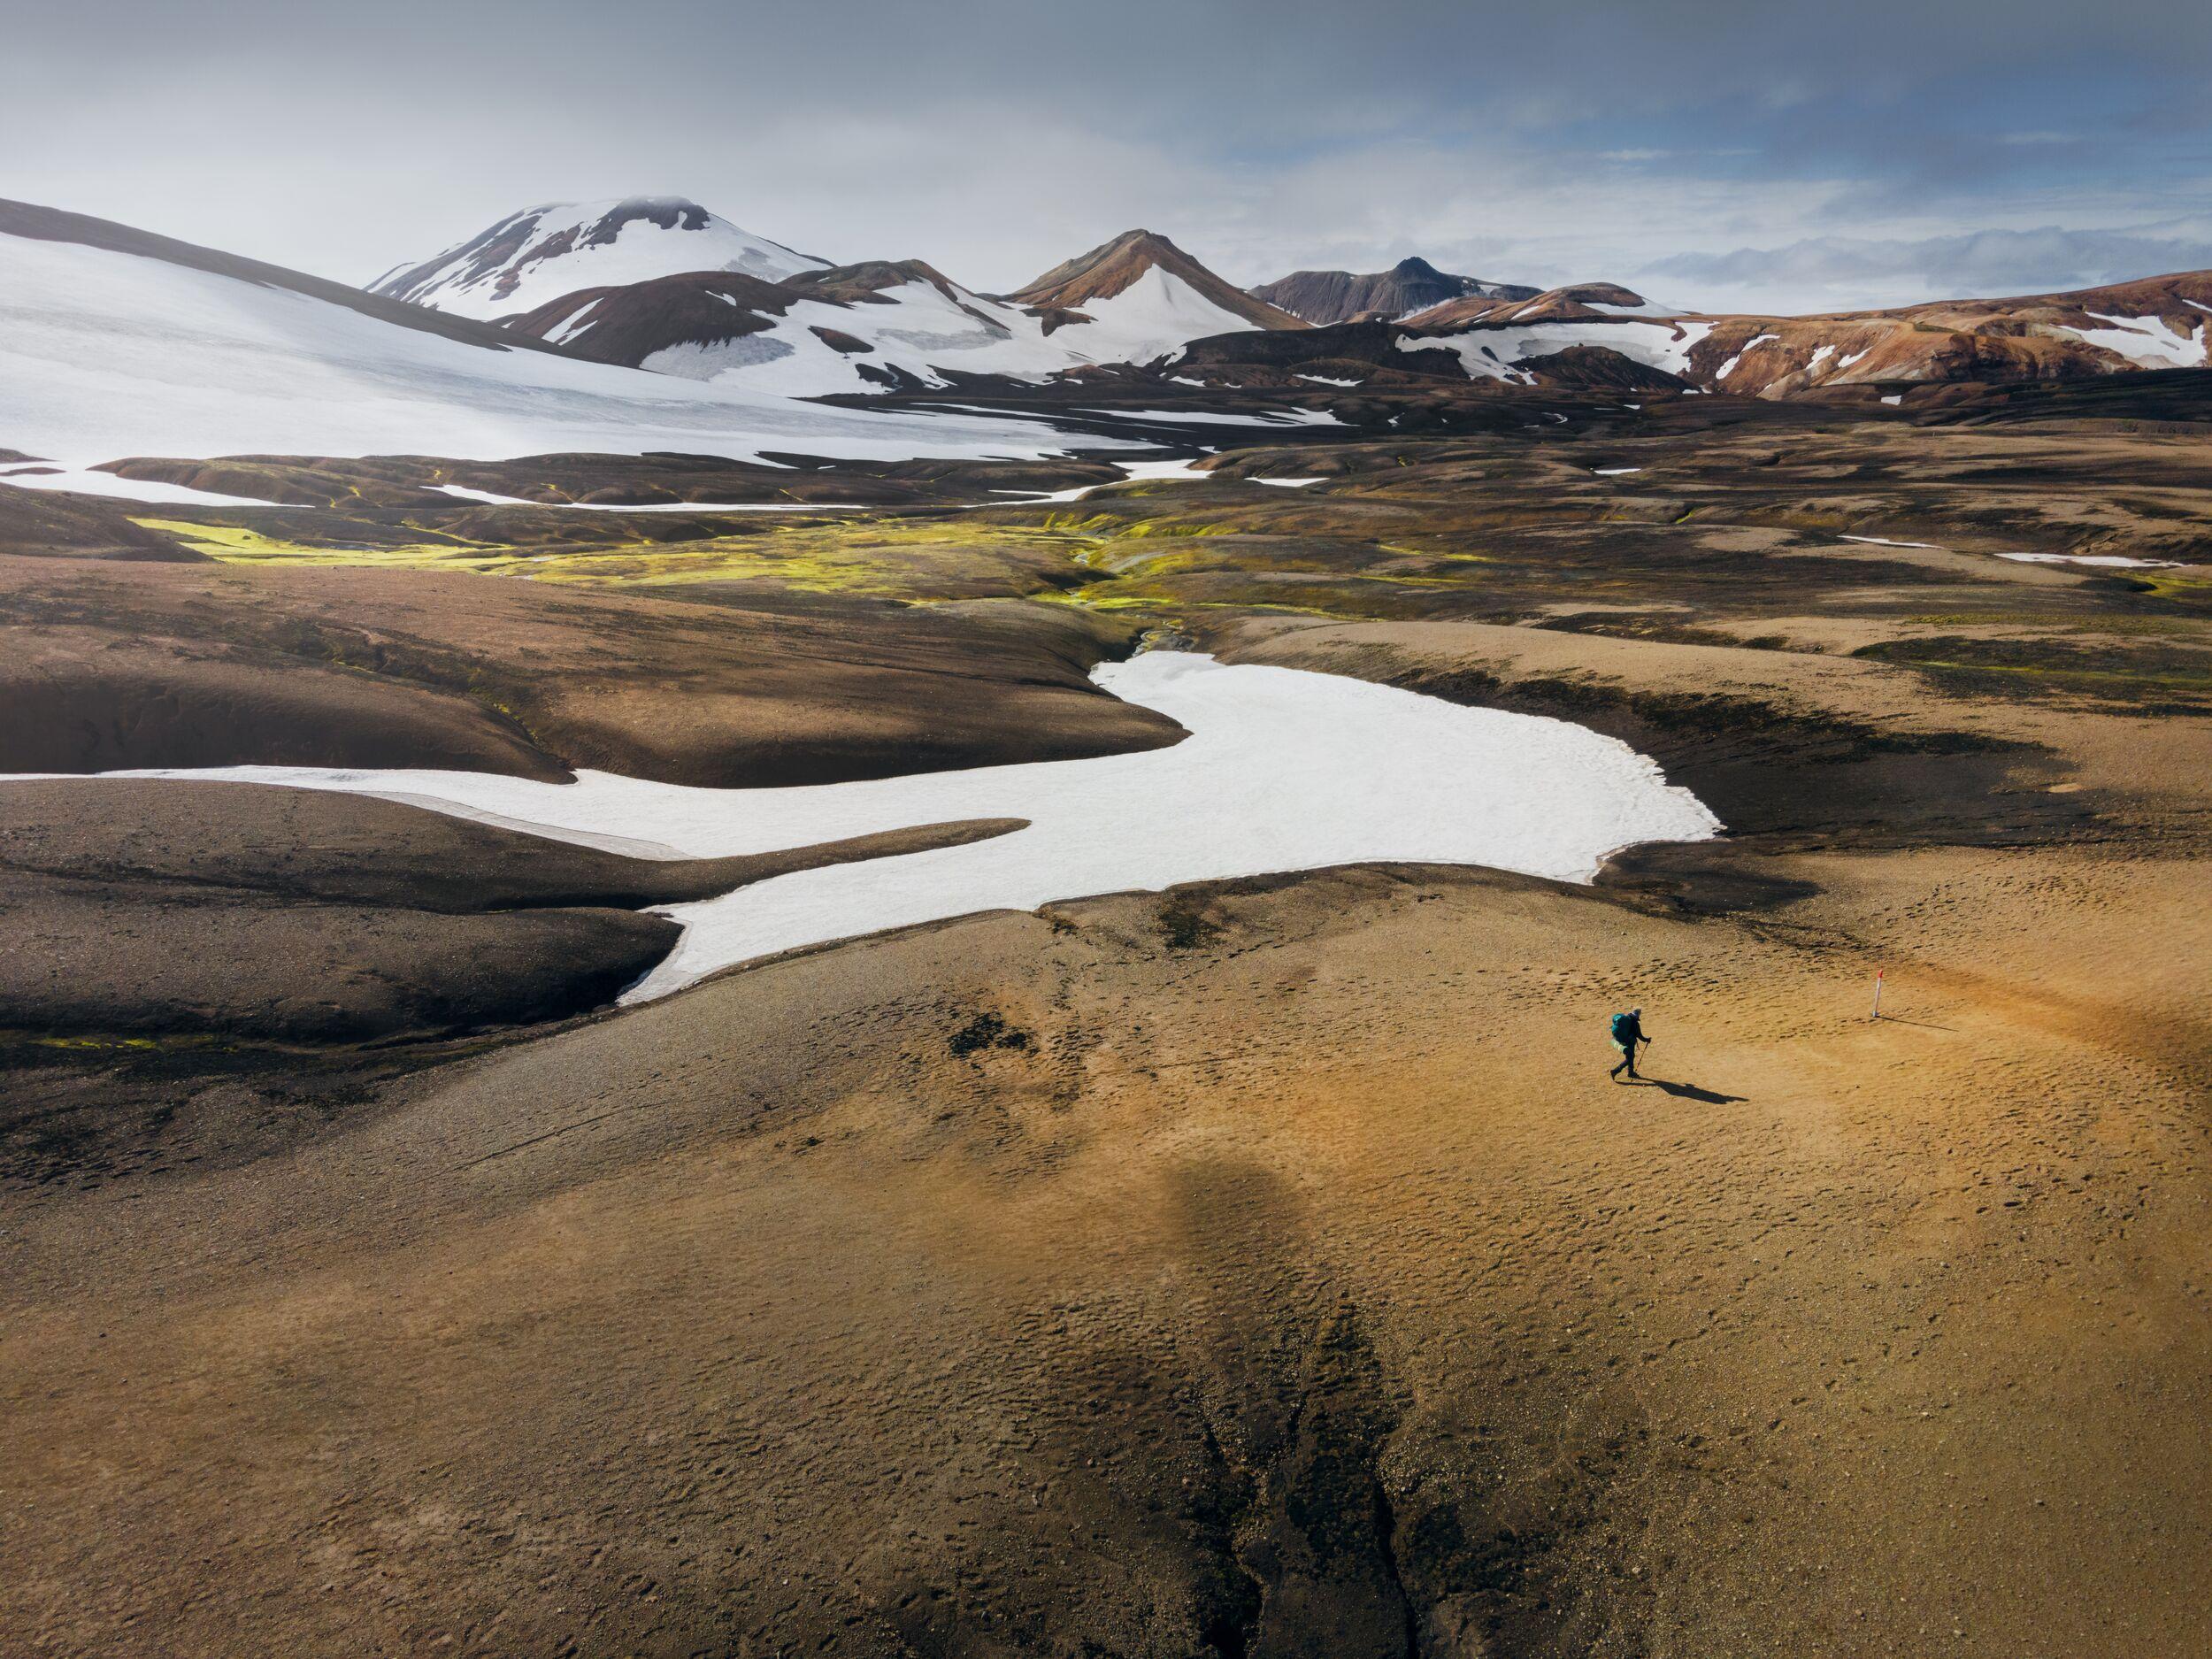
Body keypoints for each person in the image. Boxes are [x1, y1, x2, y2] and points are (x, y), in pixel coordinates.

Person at [1609, 1008, 1647, 1080]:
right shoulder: (1635, 1023)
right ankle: (1616, 1071)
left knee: (1630, 1056)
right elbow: (1640, 1036)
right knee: (1630, 1057)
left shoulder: (1627, 1018)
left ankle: (1631, 1072)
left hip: (1622, 1040)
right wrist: (1647, 1040)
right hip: (1630, 1042)